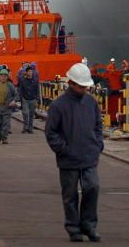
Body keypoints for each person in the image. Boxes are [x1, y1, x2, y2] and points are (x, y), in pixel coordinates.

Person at [45, 63, 103, 243]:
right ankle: (73, 228)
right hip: (68, 160)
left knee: (92, 188)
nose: (84, 89)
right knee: (70, 195)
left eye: (86, 86)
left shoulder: (91, 102)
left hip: (89, 156)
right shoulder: (58, 105)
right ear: (70, 83)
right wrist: (64, 150)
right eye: (81, 86)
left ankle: (89, 225)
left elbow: (98, 126)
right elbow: (51, 132)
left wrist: (97, 144)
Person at [18, 65, 39, 134]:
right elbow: (21, 89)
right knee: (25, 113)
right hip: (25, 99)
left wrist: (37, 99)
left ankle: (30, 128)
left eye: (31, 71)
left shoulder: (35, 80)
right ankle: (25, 127)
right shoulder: (23, 80)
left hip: (33, 99)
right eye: (29, 71)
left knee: (31, 114)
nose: (30, 73)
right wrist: (21, 98)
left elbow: (37, 90)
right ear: (26, 72)